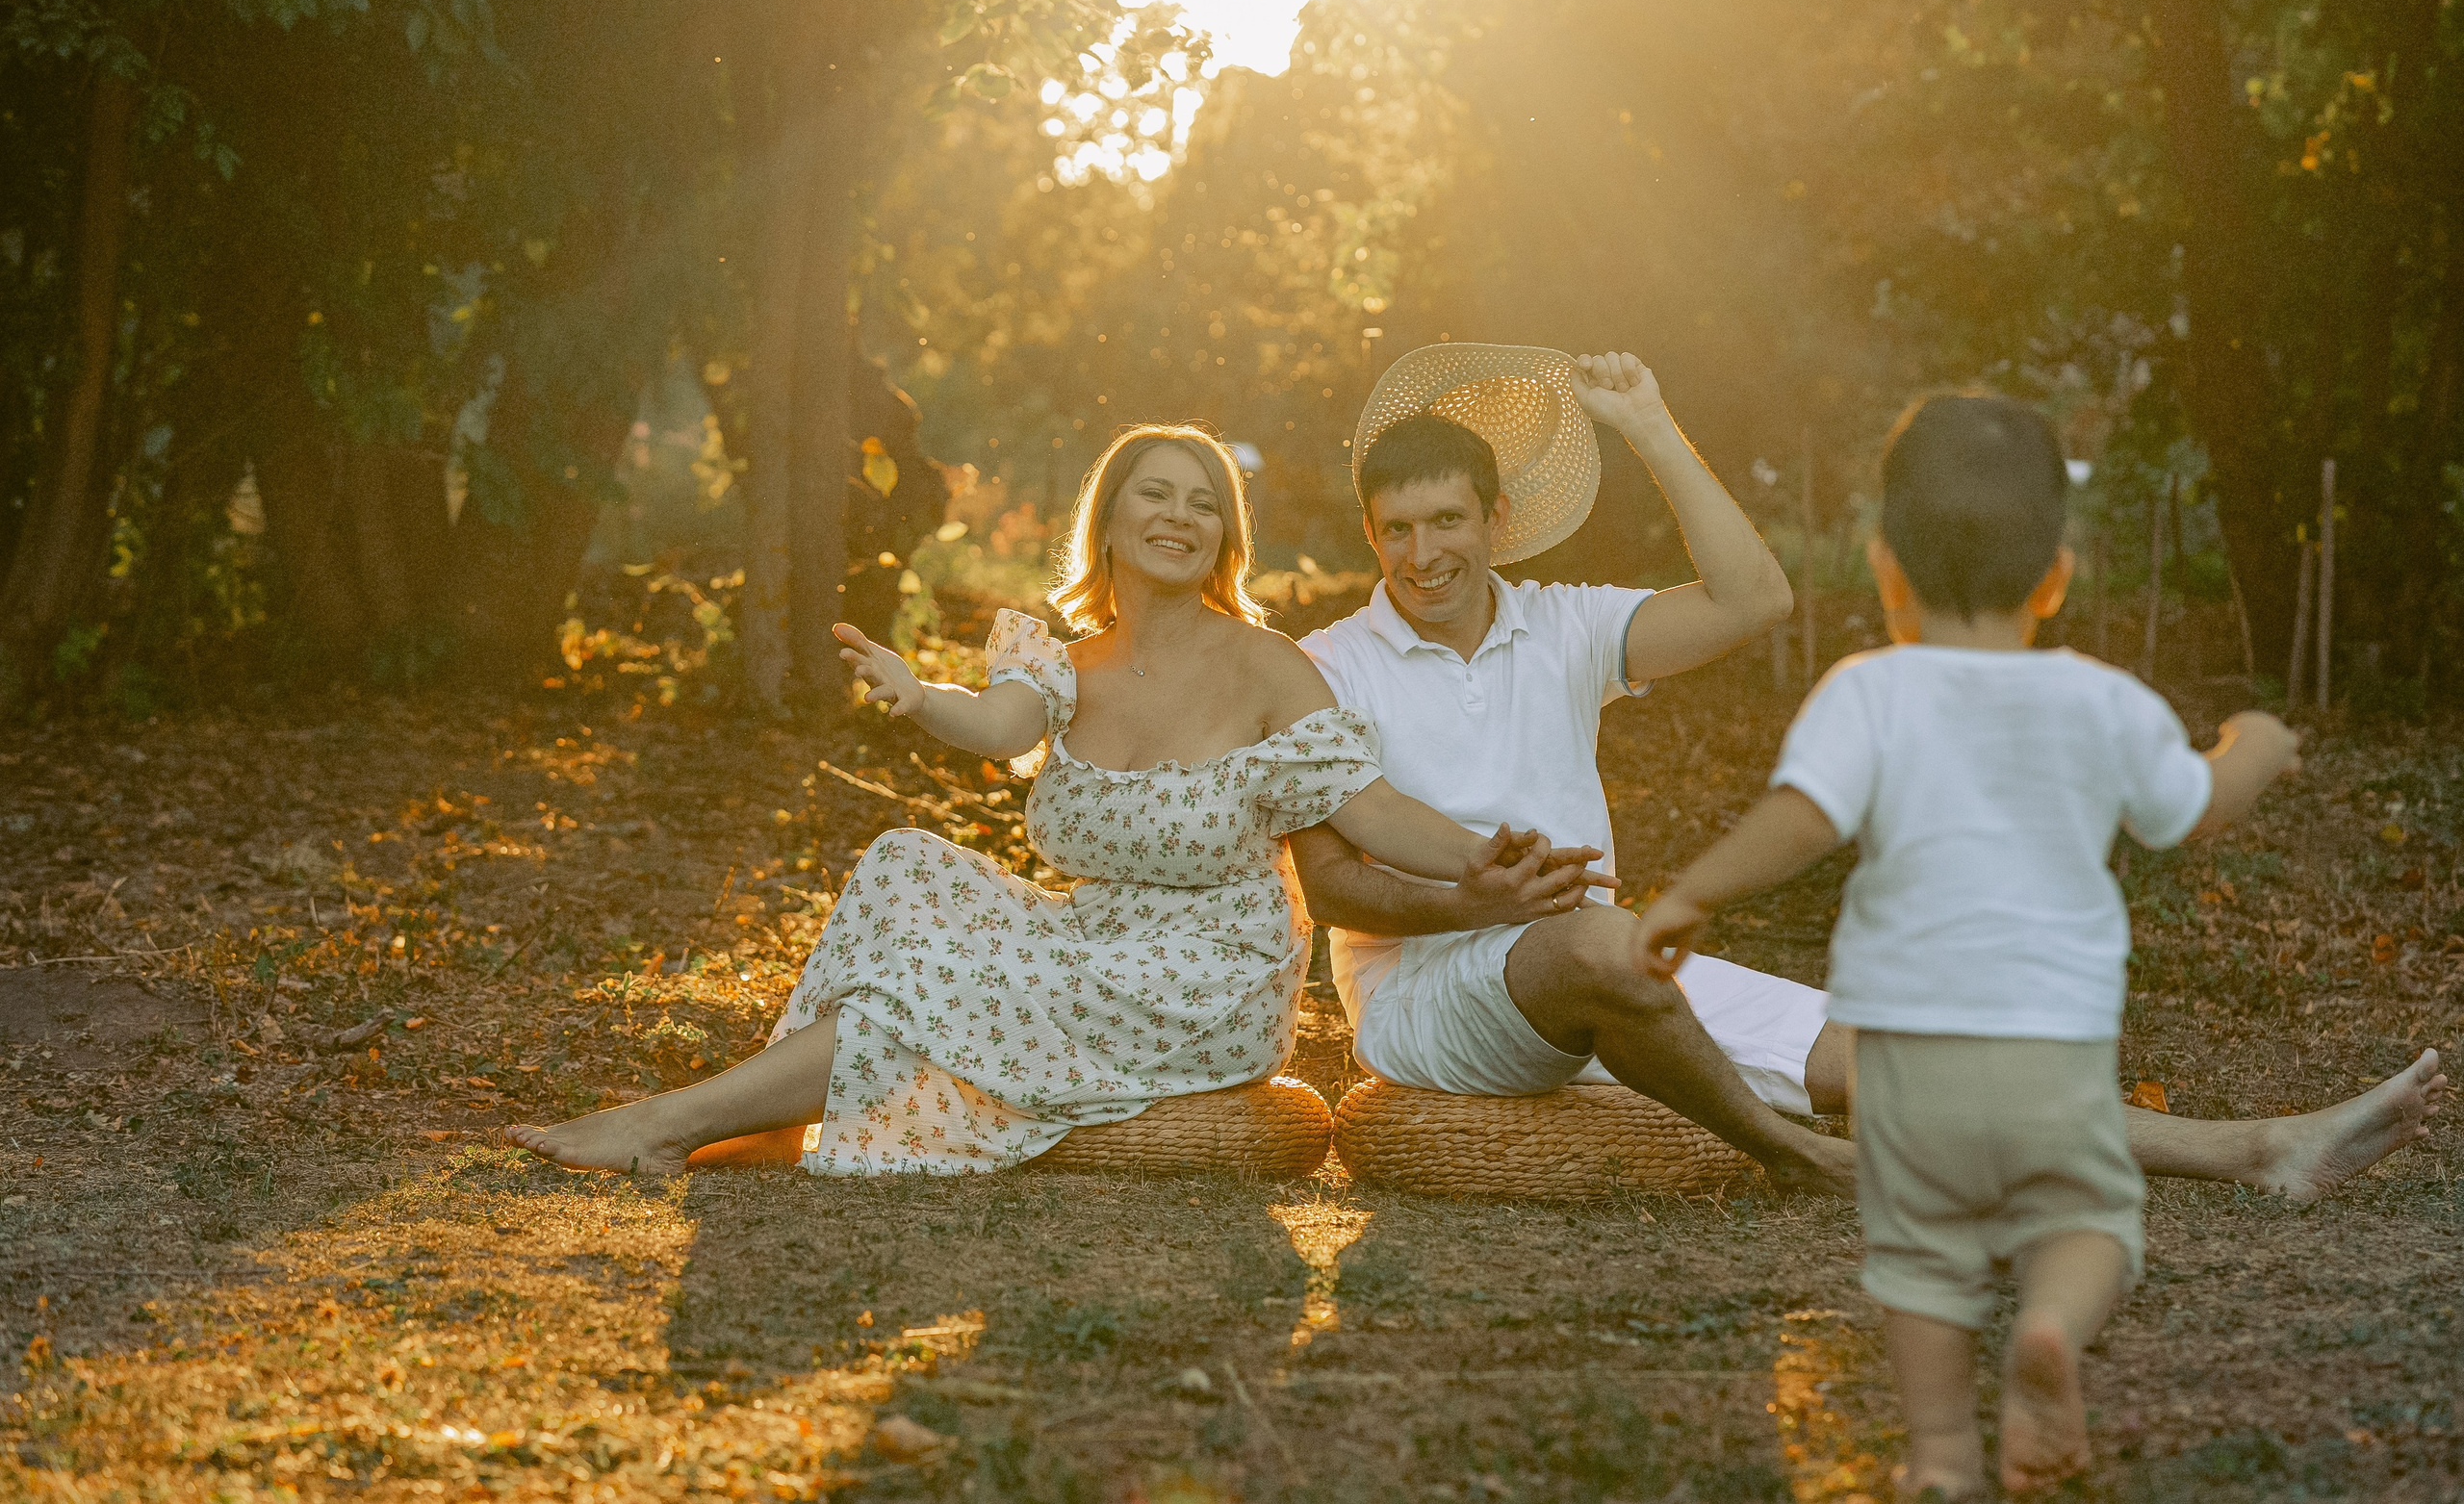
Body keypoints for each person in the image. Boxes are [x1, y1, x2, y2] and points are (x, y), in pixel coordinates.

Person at [1288, 344, 2445, 1203]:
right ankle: (1797, 1155)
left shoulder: (1565, 625)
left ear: (1496, 517)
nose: (1423, 553)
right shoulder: (1328, 663)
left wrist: (1645, 420)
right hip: (1428, 999)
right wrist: (1469, 901)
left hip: (1594, 954)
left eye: (1446, 520)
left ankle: (2258, 1147)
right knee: (1601, 938)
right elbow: (1330, 884)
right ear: (1371, 535)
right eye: (1395, 529)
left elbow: (1756, 598)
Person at [507, 423, 1598, 1178]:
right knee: (904, 863)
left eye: (1202, 502)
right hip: (1090, 941)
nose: (1179, 516)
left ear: (1225, 535)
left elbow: (1371, 812)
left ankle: (677, 1121)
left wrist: (1487, 862)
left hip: (1205, 974)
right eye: (1154, 494)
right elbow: (994, 728)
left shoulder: (1270, 667)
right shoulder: (1059, 661)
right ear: (1110, 522)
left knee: (930, 978)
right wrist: (919, 692)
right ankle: (700, 1120)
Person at [1631, 395, 2303, 1496]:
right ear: (2057, 575)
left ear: (1885, 567)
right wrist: (2256, 745)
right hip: (2051, 1055)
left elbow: (1802, 817)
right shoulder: (2099, 699)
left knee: (1922, 1261)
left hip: (1904, 1061)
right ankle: (2047, 1324)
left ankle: (1941, 1454)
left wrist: (1689, 893)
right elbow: (2195, 807)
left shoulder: (1867, 691)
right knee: (2086, 1219)